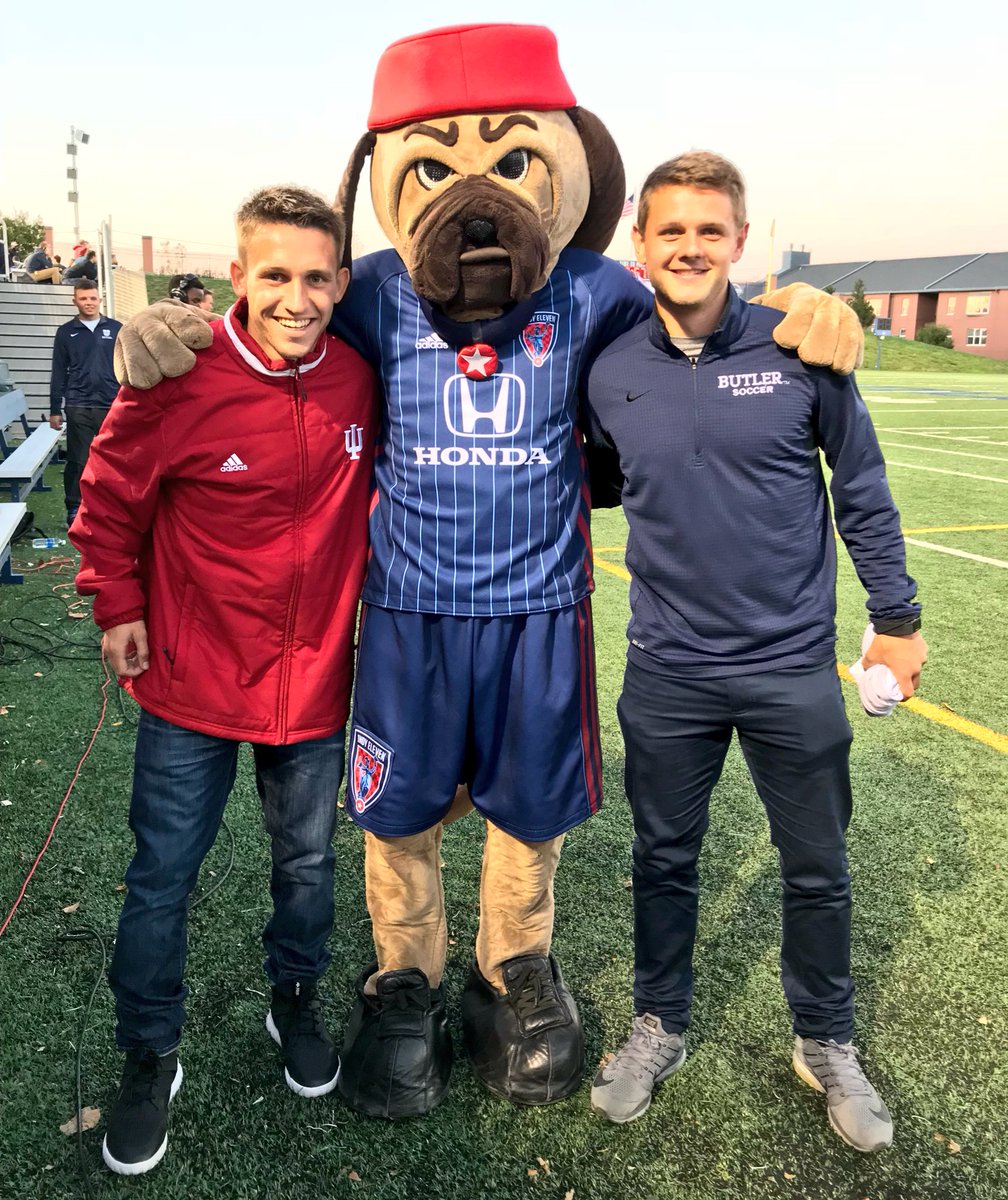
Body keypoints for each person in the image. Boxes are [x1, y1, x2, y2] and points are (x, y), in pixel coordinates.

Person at [586, 152, 927, 1153]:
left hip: (789, 670)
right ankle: (659, 1023)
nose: (689, 247)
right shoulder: (610, 370)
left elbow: (860, 489)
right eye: (669, 230)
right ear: (639, 246)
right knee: (664, 860)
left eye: (709, 230)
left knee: (817, 868)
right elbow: (597, 480)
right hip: (667, 671)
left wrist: (897, 618)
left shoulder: (799, 346)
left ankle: (824, 1040)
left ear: (740, 241)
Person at [69, 185, 378, 1176]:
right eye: (276, 275)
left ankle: (295, 1002)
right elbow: (108, 499)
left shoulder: (361, 380)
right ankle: (150, 1054)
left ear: (342, 280)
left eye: (318, 276)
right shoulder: (180, 376)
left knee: (308, 871)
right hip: (190, 685)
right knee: (161, 878)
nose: (298, 297)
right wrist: (116, 602)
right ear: (238, 277)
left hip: (314, 688)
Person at [49, 280, 123, 524]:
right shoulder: (65, 332)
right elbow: (58, 371)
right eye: (83, 299)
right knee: (79, 458)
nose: (88, 303)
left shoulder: (116, 328)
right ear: (75, 301)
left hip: (112, 404)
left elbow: (128, 367)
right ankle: (74, 507)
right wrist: (54, 409)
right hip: (78, 403)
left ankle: (112, 505)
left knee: (113, 457)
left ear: (99, 300)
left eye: (92, 298)